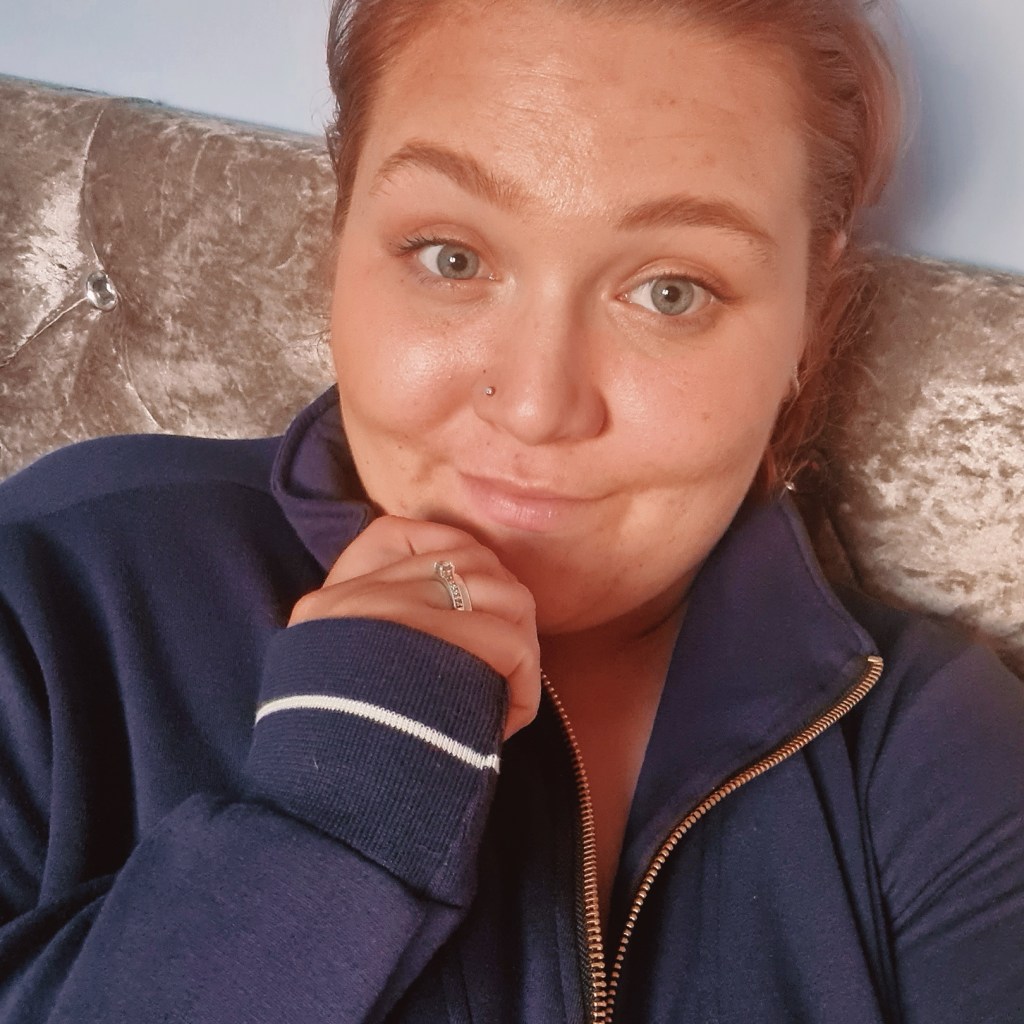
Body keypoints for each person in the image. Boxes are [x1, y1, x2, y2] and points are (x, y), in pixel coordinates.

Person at [1, 0, 1022, 1020]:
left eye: (671, 291)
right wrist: (334, 818)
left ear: (807, 313)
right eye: (451, 256)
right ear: (341, 230)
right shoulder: (60, 595)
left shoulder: (933, 749)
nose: (535, 406)